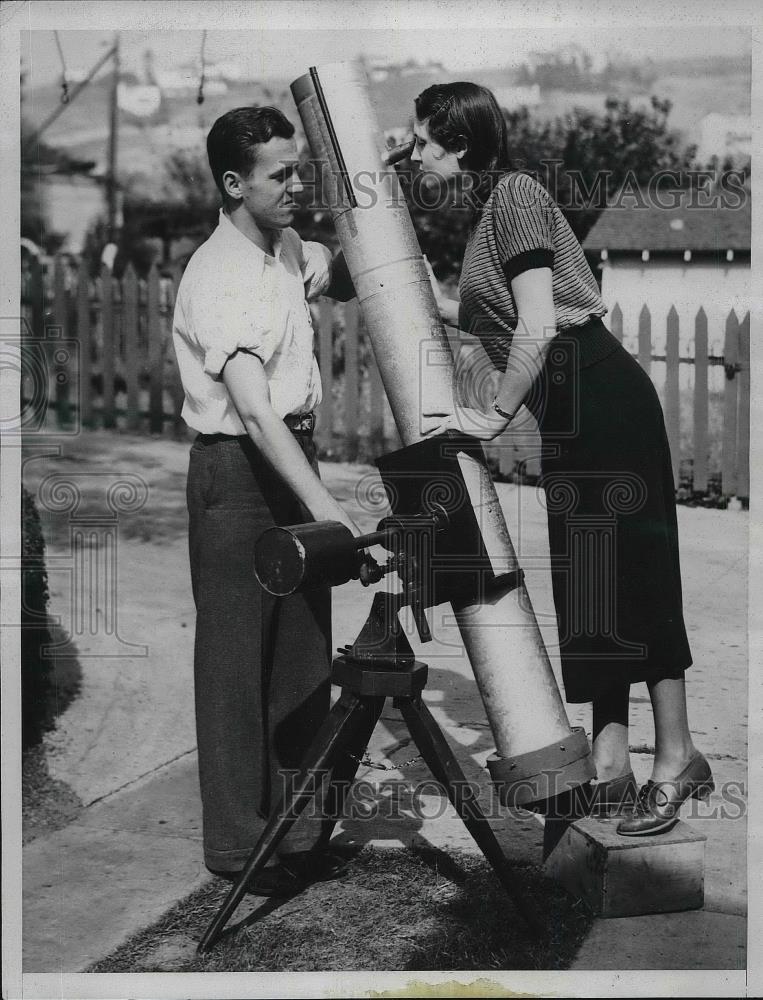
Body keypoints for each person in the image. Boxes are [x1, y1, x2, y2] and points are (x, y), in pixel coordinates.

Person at [412, 82, 713, 835]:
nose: (415, 156)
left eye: (423, 142)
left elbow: (541, 326)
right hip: (572, 414)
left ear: (460, 144)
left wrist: (491, 414)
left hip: (600, 395)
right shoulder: (491, 215)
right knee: (591, 587)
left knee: (632, 578)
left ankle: (676, 757)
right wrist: (424, 293)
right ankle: (611, 765)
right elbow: (499, 314)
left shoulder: (512, 196)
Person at [172, 106, 358, 893]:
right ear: (231, 183)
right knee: (235, 666)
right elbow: (252, 411)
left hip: (286, 461)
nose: (295, 183)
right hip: (238, 475)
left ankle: (299, 829)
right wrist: (331, 511)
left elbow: (332, 264)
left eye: (298, 168)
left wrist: (378, 199)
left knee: (302, 655)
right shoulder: (217, 275)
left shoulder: (283, 248)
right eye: (279, 174)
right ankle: (237, 847)